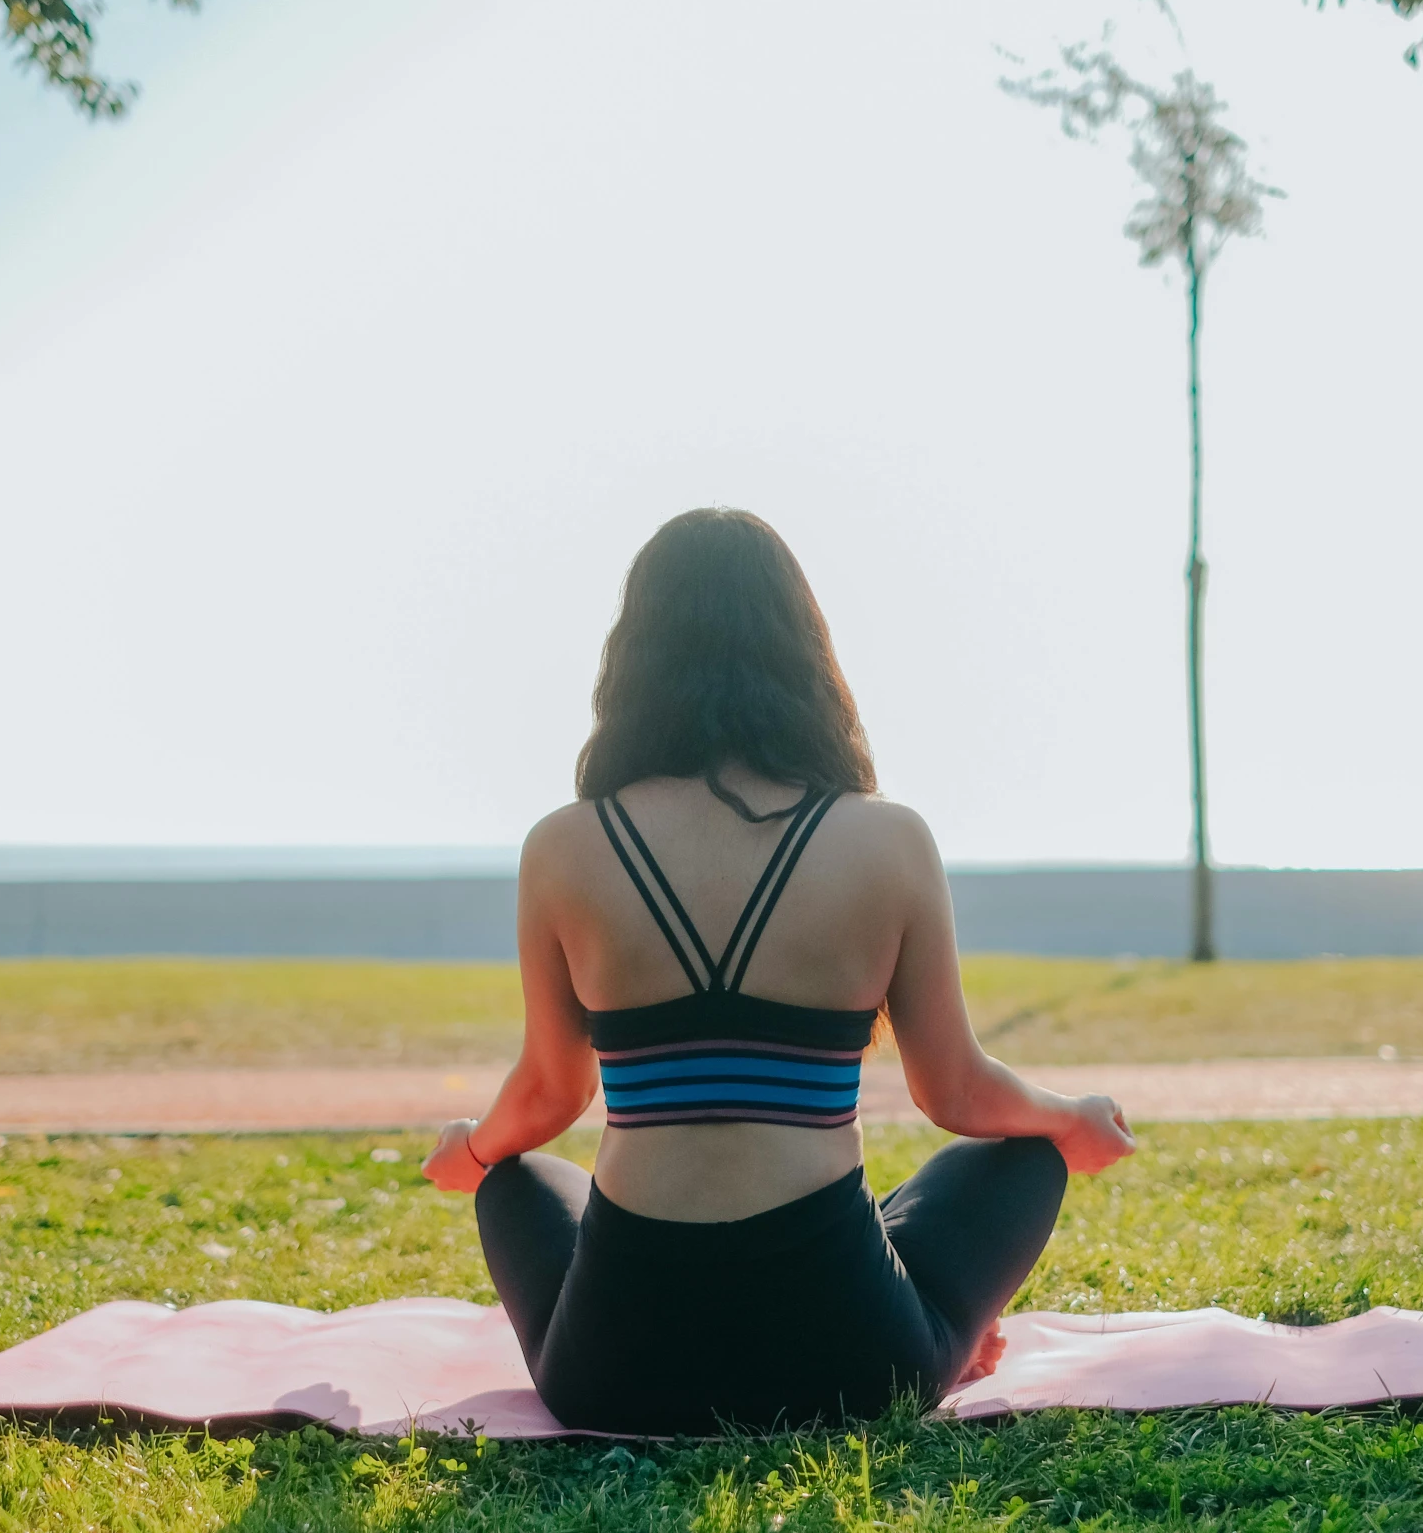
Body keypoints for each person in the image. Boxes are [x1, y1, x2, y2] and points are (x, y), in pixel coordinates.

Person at [421, 507, 1137, 1435]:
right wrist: (1069, 1119)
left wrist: (472, 1149)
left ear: (632, 654)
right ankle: (951, 1339)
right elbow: (957, 1090)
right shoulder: (889, 838)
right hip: (852, 1363)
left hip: (613, 1373)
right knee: (1020, 1158)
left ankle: (932, 1317)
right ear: (806, 649)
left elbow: (551, 1092)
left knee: (517, 1178)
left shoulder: (564, 845)